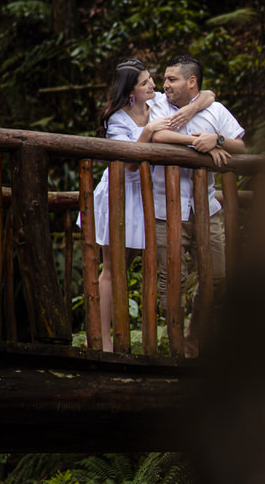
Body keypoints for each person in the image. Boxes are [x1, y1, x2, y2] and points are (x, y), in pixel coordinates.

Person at [82, 58, 216, 351]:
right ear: (131, 91)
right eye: (145, 83)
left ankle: (140, 337)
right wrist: (148, 132)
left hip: (147, 195)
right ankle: (104, 341)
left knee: (138, 265)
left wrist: (192, 109)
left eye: (151, 80)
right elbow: (129, 163)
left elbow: (206, 95)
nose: (153, 85)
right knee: (113, 267)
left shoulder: (156, 105)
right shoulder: (117, 118)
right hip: (120, 191)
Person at [147, 54, 245, 355]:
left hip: (207, 210)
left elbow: (241, 145)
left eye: (171, 79)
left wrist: (215, 140)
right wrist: (194, 143)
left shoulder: (214, 109)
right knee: (169, 282)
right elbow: (154, 134)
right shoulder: (157, 106)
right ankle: (175, 350)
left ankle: (192, 337)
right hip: (166, 209)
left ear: (192, 82)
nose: (165, 85)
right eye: (164, 79)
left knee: (216, 277)